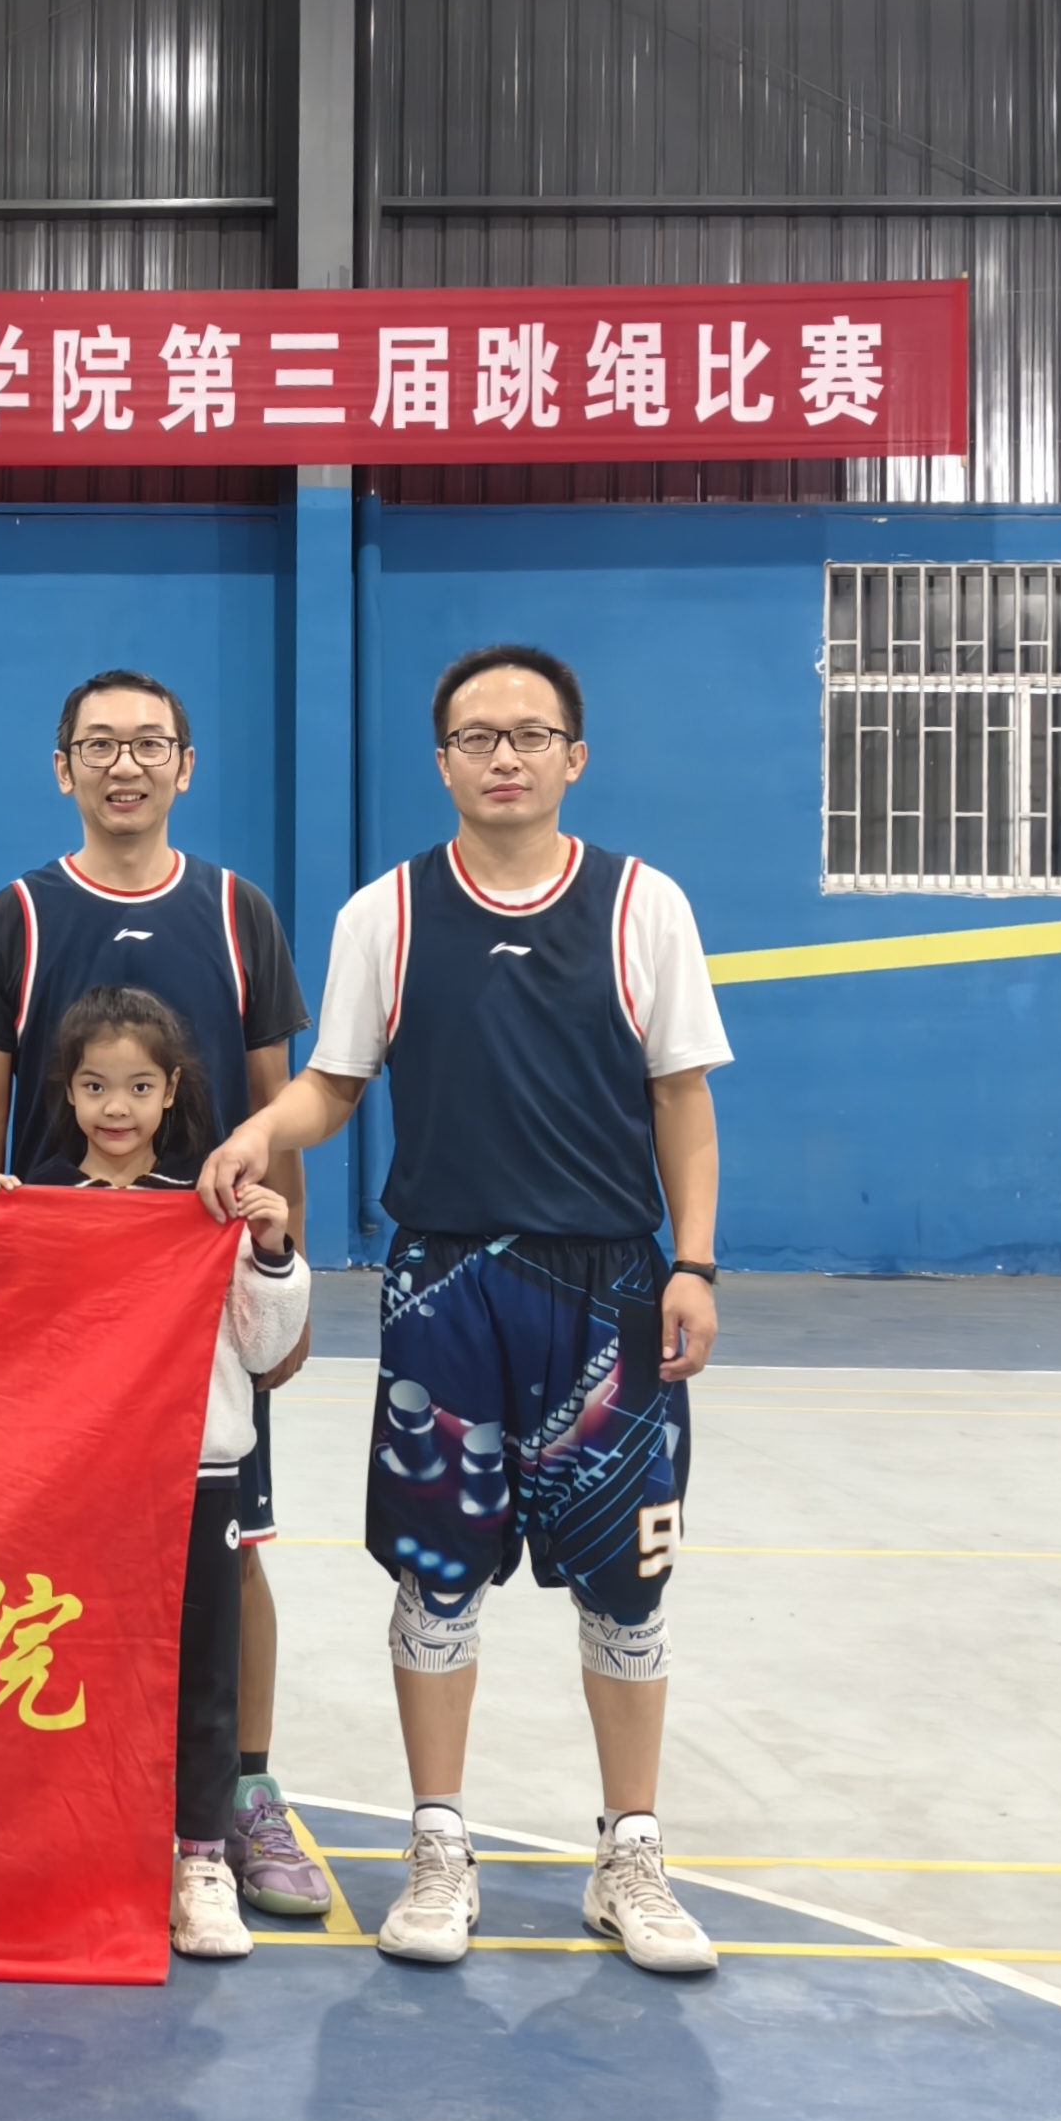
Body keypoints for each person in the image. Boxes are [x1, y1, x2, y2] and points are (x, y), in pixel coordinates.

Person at [199, 643, 729, 1976]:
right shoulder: (384, 912)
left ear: (573, 756)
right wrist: (263, 1130)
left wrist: (695, 1264)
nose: (504, 755)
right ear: (441, 761)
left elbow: (680, 1096)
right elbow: (333, 1083)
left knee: (627, 1586)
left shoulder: (641, 904)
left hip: (609, 1291)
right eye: (477, 736)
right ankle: (438, 1845)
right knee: (436, 1579)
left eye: (529, 733)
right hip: (445, 1287)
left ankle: (630, 1851)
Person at [0, 667, 333, 1923]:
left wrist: (287, 1269)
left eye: (148, 743)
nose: (124, 764)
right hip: (59, 1296)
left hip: (197, 1291)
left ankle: (244, 1791)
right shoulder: (14, 915)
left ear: (183, 763)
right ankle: (53, 1789)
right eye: (99, 744)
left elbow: (276, 1104)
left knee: (232, 1546)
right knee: (48, 1549)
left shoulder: (234, 909)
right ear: (62, 766)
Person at [0, 985, 308, 1960]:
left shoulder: (205, 1211)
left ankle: (199, 1861)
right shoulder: (38, 1201)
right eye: (93, 1086)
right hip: (77, 1480)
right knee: (68, 1669)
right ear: (66, 1093)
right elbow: (0, 1341)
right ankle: (70, 1848)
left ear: (171, 1092)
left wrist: (271, 1249)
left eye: (137, 1087)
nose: (114, 1107)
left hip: (196, 1478)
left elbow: (261, 1348)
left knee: (200, 1680)